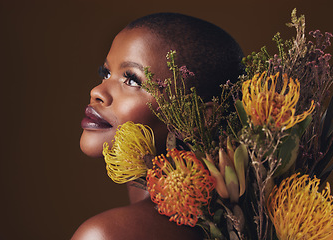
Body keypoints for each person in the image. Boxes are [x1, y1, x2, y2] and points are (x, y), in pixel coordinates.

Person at [72, 13, 244, 240]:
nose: (97, 91)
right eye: (106, 73)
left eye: (131, 80)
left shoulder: (106, 235)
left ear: (200, 117)